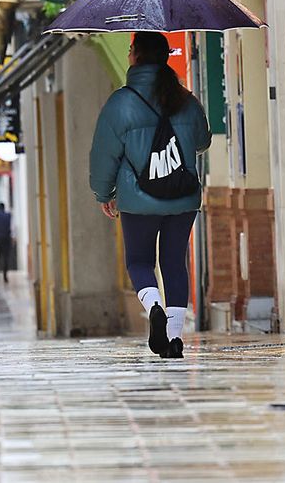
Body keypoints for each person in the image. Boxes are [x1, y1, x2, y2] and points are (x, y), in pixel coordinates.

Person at [89, 31, 211, 360]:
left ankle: (154, 306)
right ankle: (174, 338)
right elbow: (202, 141)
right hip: (182, 196)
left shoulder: (120, 103)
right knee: (174, 263)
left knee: (140, 262)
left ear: (135, 56)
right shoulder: (185, 98)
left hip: (138, 198)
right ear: (165, 57)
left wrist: (104, 193)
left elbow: (103, 155)